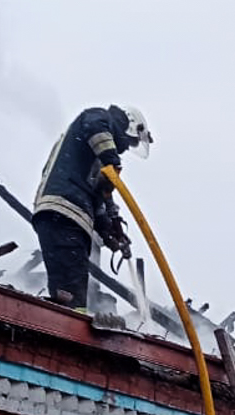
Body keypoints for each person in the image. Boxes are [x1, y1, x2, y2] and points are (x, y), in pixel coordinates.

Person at [32, 105, 153, 324]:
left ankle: (67, 325)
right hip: (64, 212)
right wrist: (112, 160)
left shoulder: (92, 159)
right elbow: (96, 127)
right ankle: (72, 333)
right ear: (129, 126)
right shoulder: (98, 117)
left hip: (64, 217)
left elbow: (97, 199)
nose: (126, 149)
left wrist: (110, 231)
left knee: (70, 287)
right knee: (72, 290)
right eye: (130, 142)